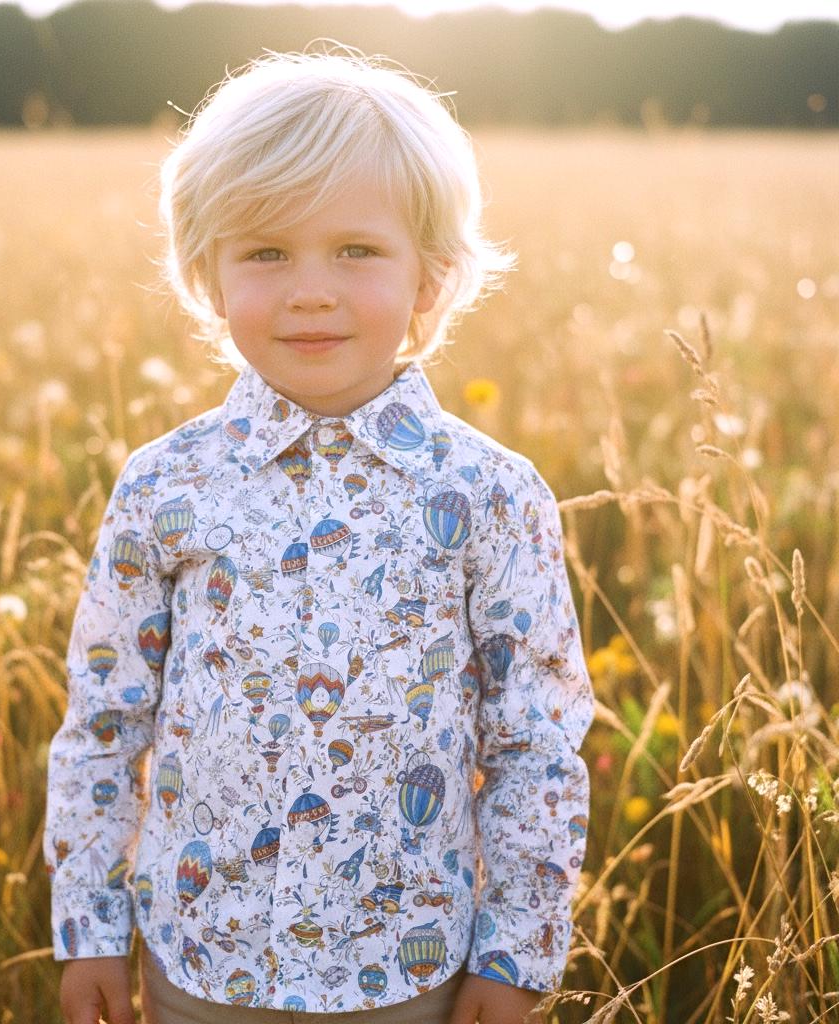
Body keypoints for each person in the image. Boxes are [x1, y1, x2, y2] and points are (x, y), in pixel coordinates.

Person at [45, 44, 594, 1024]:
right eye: (265, 252)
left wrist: (515, 955)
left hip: (407, 972)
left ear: (430, 276)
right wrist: (88, 927)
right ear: (207, 277)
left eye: (355, 250)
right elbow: (102, 720)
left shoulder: (490, 494)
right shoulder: (164, 485)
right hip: (198, 965)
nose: (309, 288)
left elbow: (536, 746)